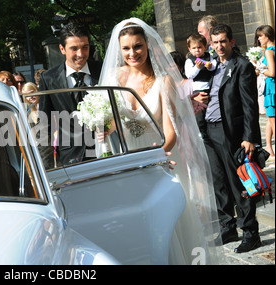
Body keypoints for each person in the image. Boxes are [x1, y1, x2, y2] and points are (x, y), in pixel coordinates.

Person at [98, 17, 221, 264]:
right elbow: (112, 122)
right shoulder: (113, 78)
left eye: (137, 46)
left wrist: (153, 158)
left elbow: (171, 132)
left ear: (147, 45)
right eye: (126, 48)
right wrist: (102, 129)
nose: (132, 53)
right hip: (126, 162)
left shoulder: (164, 81)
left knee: (166, 226)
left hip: (159, 158)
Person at [198, 24, 262, 253]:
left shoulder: (241, 65)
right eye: (215, 42)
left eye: (223, 41)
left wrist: (249, 137)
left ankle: (251, 232)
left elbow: (250, 105)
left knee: (238, 184)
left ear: (232, 42)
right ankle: (228, 227)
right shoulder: (210, 66)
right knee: (219, 183)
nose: (219, 46)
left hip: (230, 133)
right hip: (208, 130)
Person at [38, 22, 103, 166]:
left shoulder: (103, 70)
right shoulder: (49, 78)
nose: (80, 54)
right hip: (70, 157)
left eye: (85, 47)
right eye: (74, 49)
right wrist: (47, 168)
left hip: (106, 150)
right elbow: (44, 123)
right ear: (62, 49)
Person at [255, 25, 275, 159]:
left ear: (267, 35)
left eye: (260, 36)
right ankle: (269, 146)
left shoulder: (269, 51)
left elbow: (272, 72)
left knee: (274, 122)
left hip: (271, 89)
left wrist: (259, 70)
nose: (259, 39)